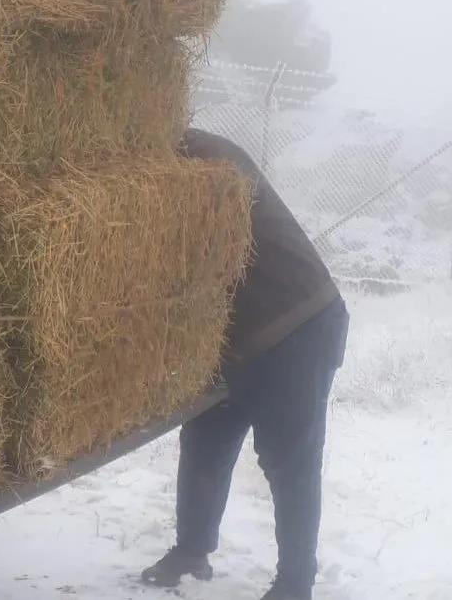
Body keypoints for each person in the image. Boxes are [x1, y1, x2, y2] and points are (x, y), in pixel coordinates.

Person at [139, 129, 351, 600]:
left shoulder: (199, 161)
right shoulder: (169, 159)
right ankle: (192, 551)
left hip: (296, 322)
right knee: (205, 439)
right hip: (233, 333)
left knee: (289, 459)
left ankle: (296, 584)